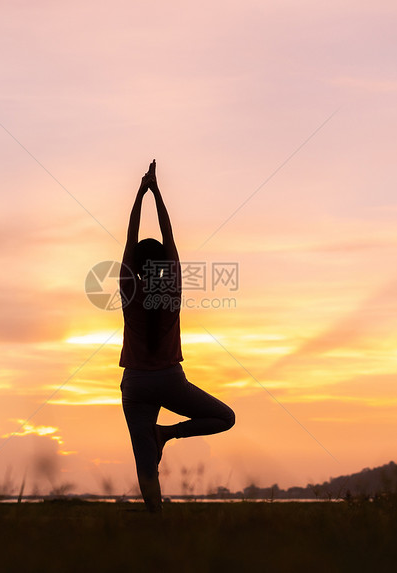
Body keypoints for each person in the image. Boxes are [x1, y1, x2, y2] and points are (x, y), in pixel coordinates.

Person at [119, 160, 235, 512]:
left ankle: (156, 521)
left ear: (136, 267)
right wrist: (157, 193)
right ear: (166, 266)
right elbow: (170, 239)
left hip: (136, 384)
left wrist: (140, 193)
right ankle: (167, 433)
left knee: (144, 464)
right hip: (170, 380)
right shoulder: (172, 288)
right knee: (225, 418)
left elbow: (130, 237)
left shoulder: (128, 288)